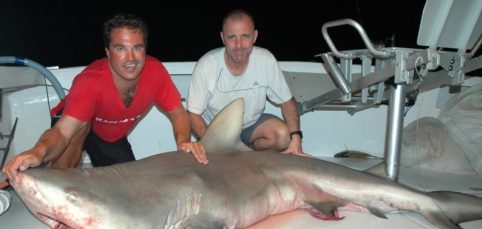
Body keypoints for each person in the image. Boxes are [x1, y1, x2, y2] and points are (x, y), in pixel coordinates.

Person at [3, 13, 207, 185]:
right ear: (108, 52)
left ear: (145, 49)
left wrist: (183, 142)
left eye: (137, 48)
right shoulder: (90, 82)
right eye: (121, 49)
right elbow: (63, 132)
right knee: (65, 172)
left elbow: (178, 112)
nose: (130, 58)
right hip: (75, 122)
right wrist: (38, 152)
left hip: (109, 135)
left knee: (130, 186)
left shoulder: (155, 73)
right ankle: (61, 179)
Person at [187, 9, 310, 157]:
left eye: (245, 36)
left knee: (283, 136)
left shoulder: (265, 60)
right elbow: (193, 115)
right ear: (223, 38)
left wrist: (296, 140)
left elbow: (288, 102)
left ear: (255, 36)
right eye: (232, 37)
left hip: (251, 127)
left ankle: (248, 155)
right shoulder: (207, 65)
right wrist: (214, 144)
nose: (239, 45)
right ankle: (236, 155)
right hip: (217, 131)